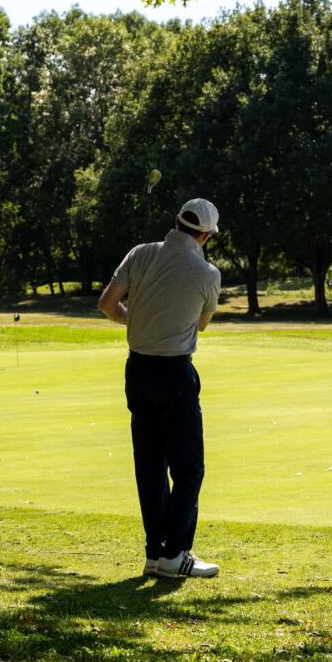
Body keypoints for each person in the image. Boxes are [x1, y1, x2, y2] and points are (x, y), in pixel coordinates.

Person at [98, 198, 221, 579]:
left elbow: (107, 304)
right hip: (175, 376)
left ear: (175, 222)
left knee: (150, 466)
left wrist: (138, 318)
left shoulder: (140, 253)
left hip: (137, 371)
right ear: (205, 234)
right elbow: (200, 325)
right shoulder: (207, 273)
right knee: (189, 469)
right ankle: (175, 554)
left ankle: (155, 553)